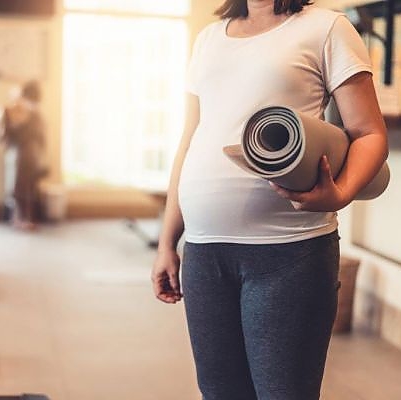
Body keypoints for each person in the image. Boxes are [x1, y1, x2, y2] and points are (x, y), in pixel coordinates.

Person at [150, 1, 388, 399]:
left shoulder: (326, 28)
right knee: (219, 393)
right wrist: (166, 242)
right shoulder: (209, 38)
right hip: (205, 254)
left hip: (289, 252)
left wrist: (341, 194)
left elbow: (369, 133)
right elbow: (189, 142)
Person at [0, 81, 48, 230]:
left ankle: (24, 217)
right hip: (20, 153)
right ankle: (18, 218)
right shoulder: (15, 110)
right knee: (18, 187)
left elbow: (40, 136)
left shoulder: (34, 113)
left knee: (27, 187)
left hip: (29, 153)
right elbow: (2, 131)